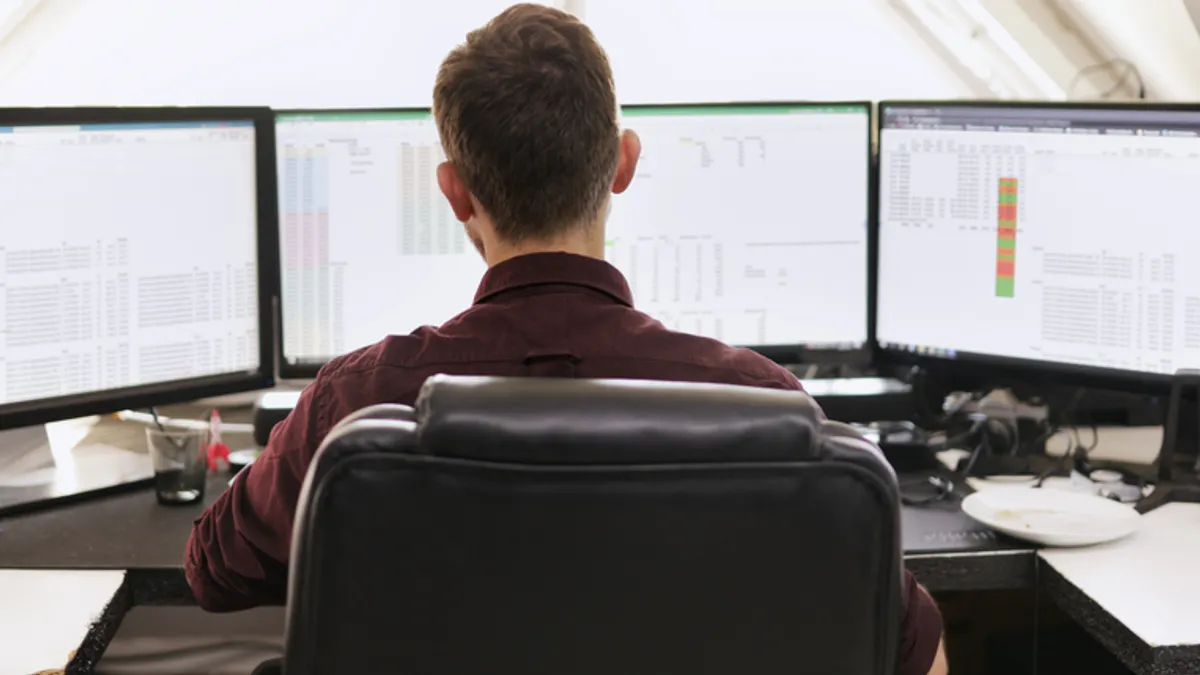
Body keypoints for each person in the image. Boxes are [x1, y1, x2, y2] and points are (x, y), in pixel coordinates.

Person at [185, 5, 947, 674]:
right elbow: (917, 654)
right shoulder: (766, 415)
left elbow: (212, 571)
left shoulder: (353, 405)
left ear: (454, 193)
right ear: (624, 162)